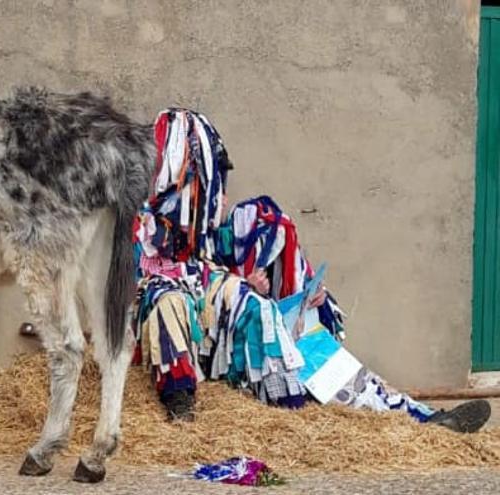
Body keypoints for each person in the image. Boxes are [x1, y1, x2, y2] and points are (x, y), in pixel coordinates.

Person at [131, 108, 491, 433]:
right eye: (215, 184)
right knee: (171, 300)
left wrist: (301, 295)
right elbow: (145, 288)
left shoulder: (210, 236)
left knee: (265, 249)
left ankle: (420, 417)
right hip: (191, 330)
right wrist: (240, 286)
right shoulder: (143, 230)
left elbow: (233, 260)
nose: (222, 196)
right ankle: (182, 409)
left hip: (263, 328)